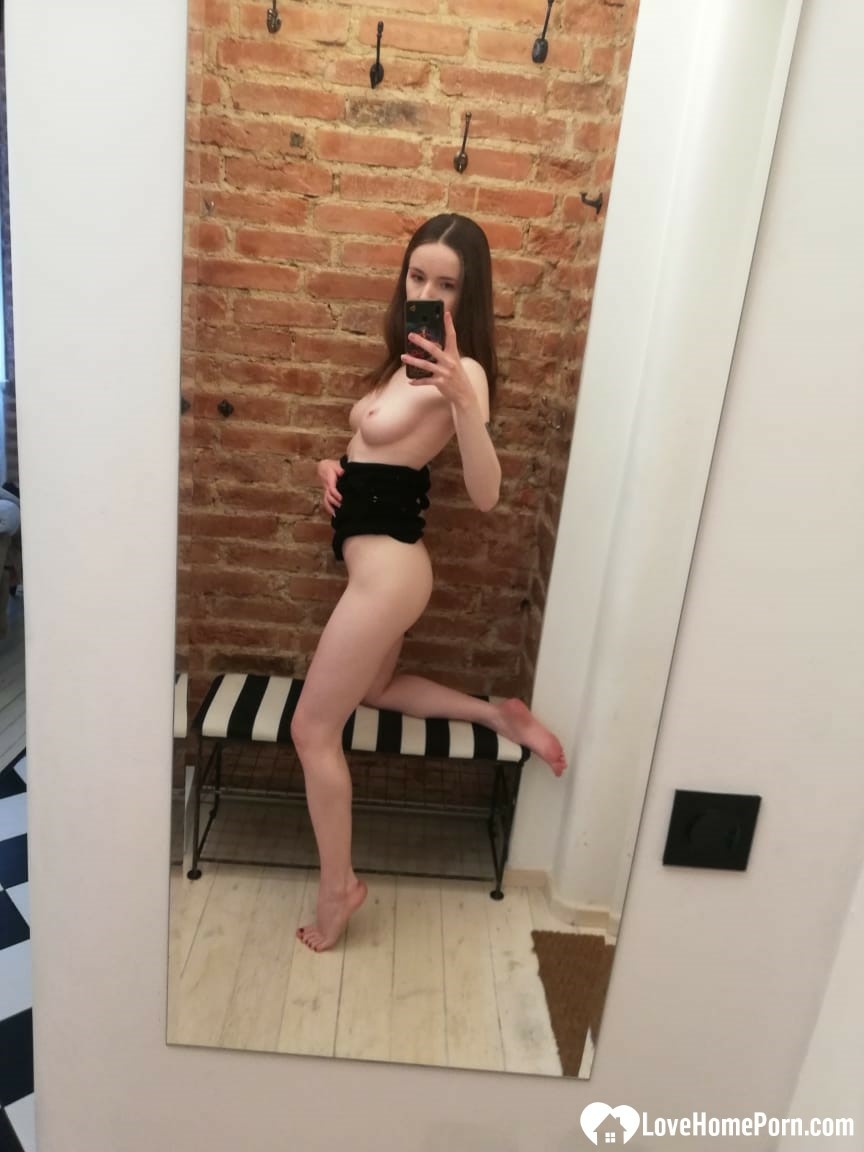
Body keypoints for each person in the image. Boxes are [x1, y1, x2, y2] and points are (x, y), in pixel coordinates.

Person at [291, 214, 566, 952]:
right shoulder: (400, 363)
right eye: (417, 276)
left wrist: (465, 403)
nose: (426, 292)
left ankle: (338, 889)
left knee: (311, 730)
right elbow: (375, 445)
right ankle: (499, 715)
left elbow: (486, 494)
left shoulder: (461, 372)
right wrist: (332, 467)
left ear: (466, 297)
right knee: (376, 690)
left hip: (388, 577)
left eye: (446, 284)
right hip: (378, 566)